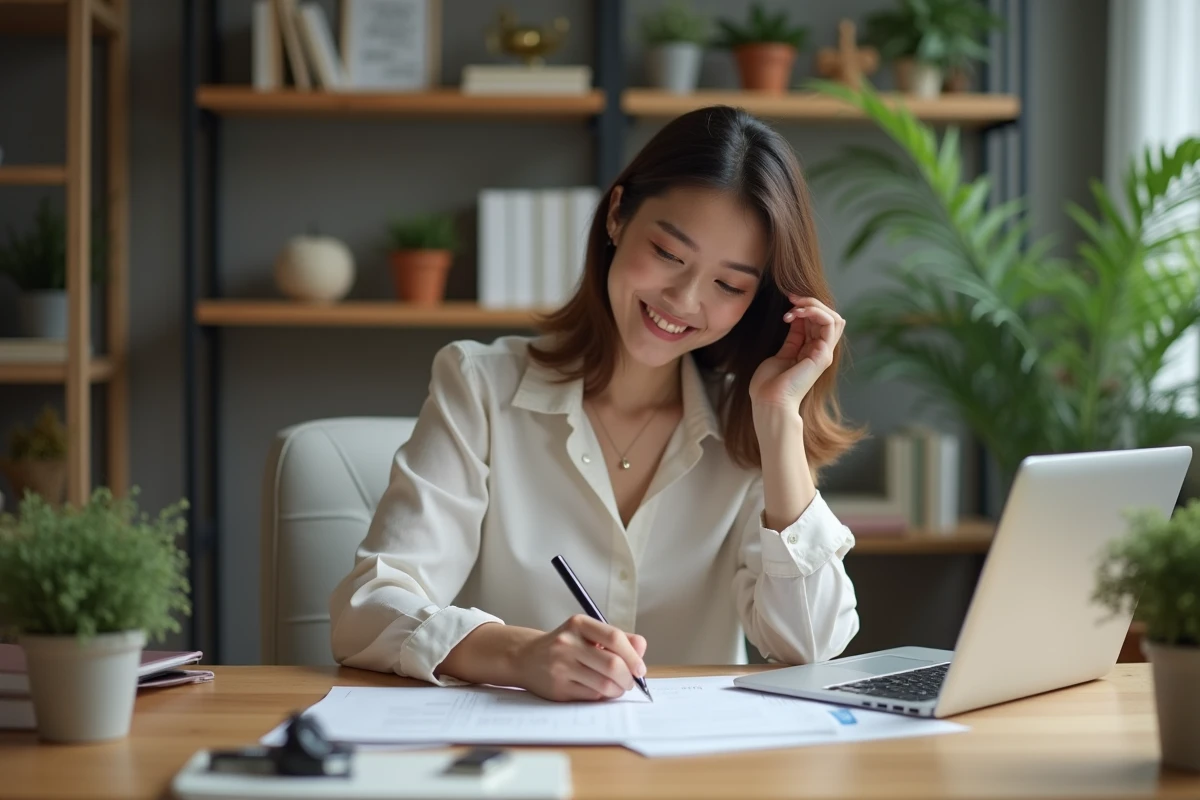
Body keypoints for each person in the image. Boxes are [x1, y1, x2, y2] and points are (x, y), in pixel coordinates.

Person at [329, 105, 865, 702]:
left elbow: (812, 646)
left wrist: (779, 421)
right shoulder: (479, 386)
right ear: (617, 215)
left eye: (729, 284)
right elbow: (366, 609)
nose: (684, 298)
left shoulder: (752, 427)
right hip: (517, 745)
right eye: (668, 253)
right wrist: (520, 654)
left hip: (692, 753)